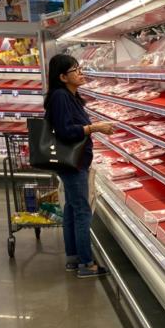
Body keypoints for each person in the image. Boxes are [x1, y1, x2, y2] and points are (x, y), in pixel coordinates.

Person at [43, 54, 114, 278]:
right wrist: (95, 128)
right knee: (82, 211)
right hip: (72, 164)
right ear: (63, 77)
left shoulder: (69, 95)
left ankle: (73, 259)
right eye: (75, 70)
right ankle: (87, 264)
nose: (81, 73)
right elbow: (66, 131)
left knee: (72, 210)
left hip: (75, 162)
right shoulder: (60, 97)